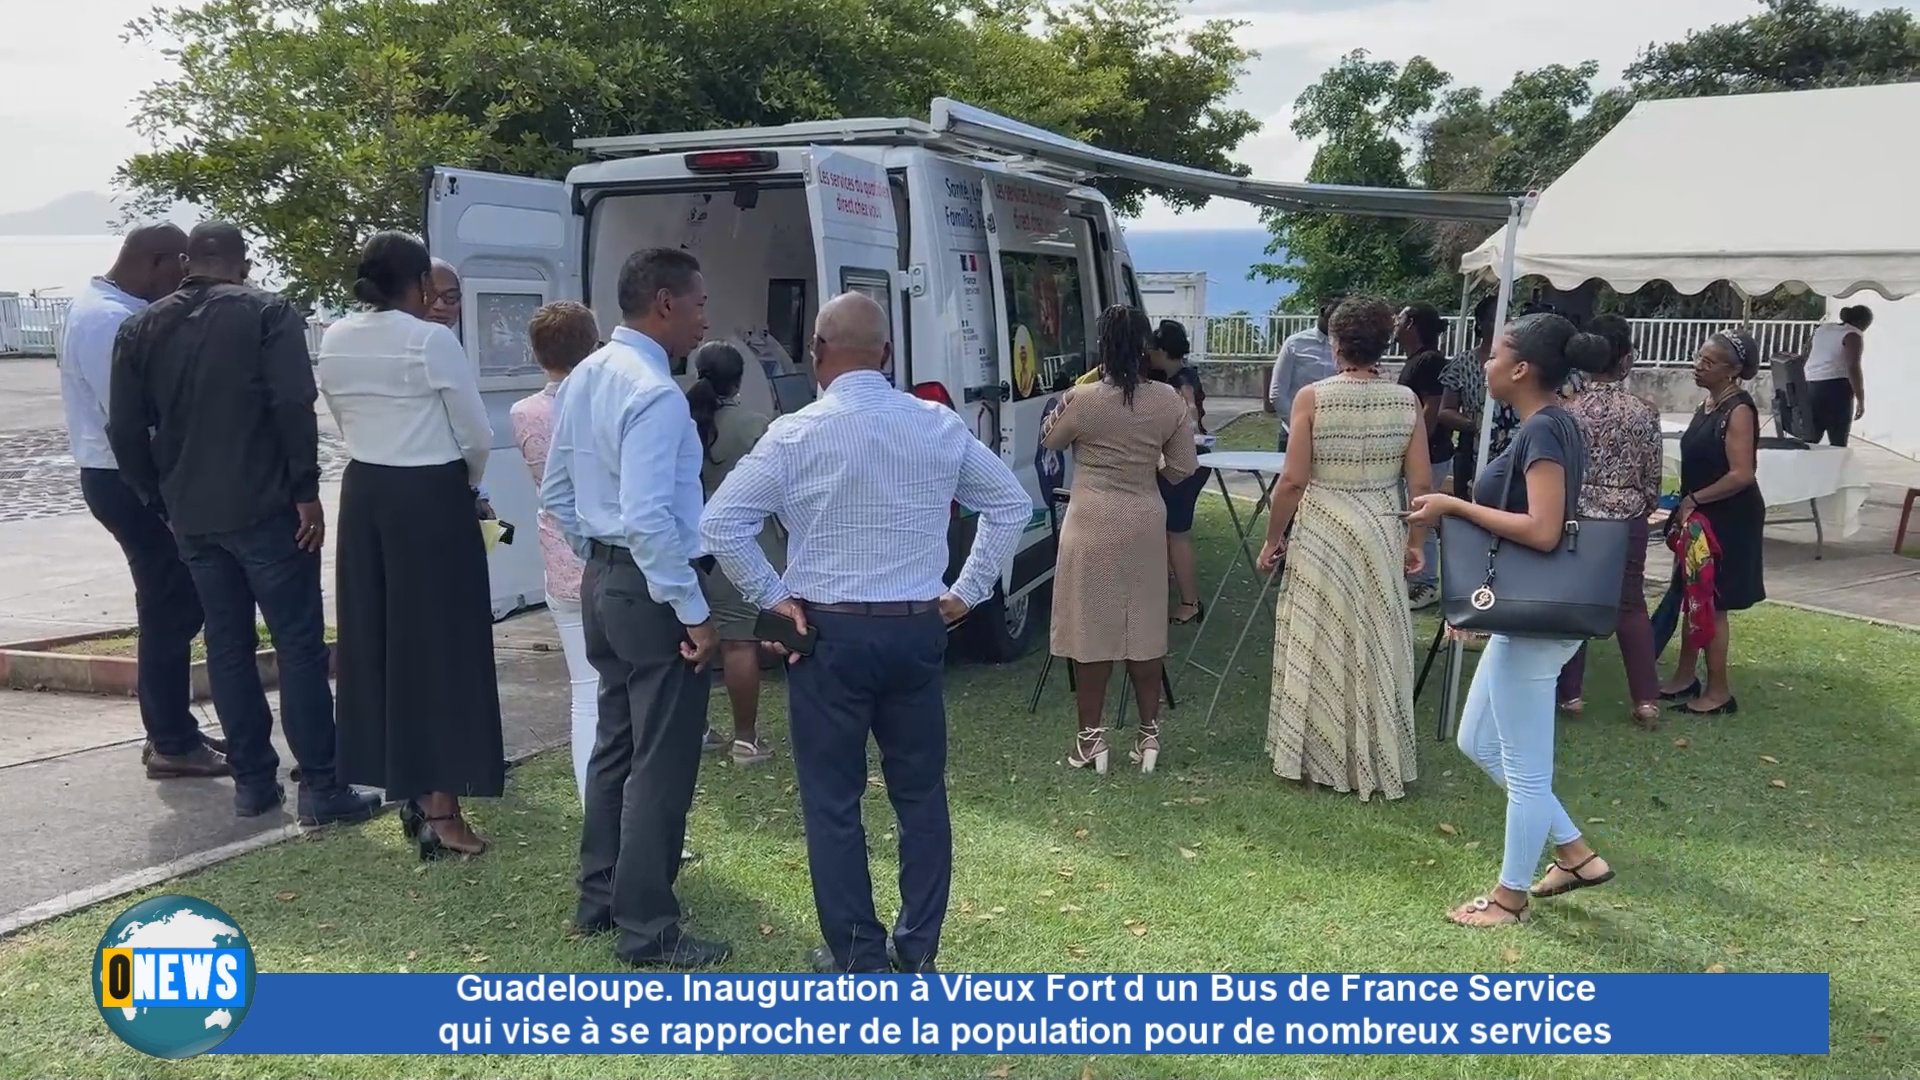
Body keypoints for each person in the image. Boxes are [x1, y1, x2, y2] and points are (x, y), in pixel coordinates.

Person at [700, 291, 1029, 975]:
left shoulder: (794, 433)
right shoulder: (935, 424)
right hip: (914, 629)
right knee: (919, 795)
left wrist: (772, 596)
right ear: (885, 355)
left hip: (827, 634)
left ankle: (855, 953)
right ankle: (918, 950)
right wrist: (966, 593)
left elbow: (721, 523)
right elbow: (1009, 502)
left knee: (833, 798)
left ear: (818, 353)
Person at [106, 222, 378, 825]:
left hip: (192, 515)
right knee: (299, 648)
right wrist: (306, 492)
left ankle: (254, 785)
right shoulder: (268, 312)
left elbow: (124, 430)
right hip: (268, 508)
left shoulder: (138, 328)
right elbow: (290, 402)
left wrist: (158, 500)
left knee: (228, 648)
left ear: (185, 262)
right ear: (244, 262)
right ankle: (322, 788)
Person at [543, 248, 728, 969]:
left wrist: (601, 553)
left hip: (604, 582)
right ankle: (647, 926)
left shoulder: (587, 373)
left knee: (616, 744)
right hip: (651, 589)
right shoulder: (653, 391)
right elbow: (651, 518)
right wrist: (690, 609)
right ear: (663, 302)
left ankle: (601, 894)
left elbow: (557, 490)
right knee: (660, 760)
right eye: (699, 303)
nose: (705, 318)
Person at [1405, 312, 1616, 927]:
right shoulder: (1545, 424)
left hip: (1538, 623)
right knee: (1476, 742)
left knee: (1525, 768)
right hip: (1522, 615)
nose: (1485, 365)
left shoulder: (1546, 429)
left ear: (1522, 369)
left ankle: (1509, 899)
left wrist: (1453, 506)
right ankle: (1574, 853)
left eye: (1495, 355)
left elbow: (1544, 531)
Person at [319, 231, 504, 859]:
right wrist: (465, 486)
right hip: (429, 495)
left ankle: (410, 790)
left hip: (365, 492)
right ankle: (442, 810)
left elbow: (342, 417)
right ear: (422, 284)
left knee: (382, 646)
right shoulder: (430, 340)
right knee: (443, 654)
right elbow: (475, 434)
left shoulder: (336, 337)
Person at [60, 225, 229, 779]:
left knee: (173, 603)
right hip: (128, 479)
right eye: (178, 275)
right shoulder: (111, 321)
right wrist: (171, 495)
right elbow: (133, 422)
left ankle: (171, 730)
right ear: (158, 261)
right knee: (170, 605)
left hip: (119, 475)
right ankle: (171, 741)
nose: (180, 287)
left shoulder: (101, 307)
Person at [1256, 297, 1428, 801]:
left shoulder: (1313, 397)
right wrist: (1415, 540)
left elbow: (1292, 480)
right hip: (1379, 524)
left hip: (1324, 525)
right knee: (1374, 641)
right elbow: (1420, 482)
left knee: (1320, 635)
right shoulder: (1406, 401)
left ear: (1335, 343)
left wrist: (1272, 539)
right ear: (1385, 344)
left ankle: (1313, 755)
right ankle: (1374, 757)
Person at [1043, 306, 1198, 775]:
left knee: (1091, 631)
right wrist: (1149, 468)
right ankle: (1148, 735)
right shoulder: (1168, 400)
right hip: (1144, 517)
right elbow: (1183, 467)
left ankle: (1091, 740)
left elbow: (1050, 440)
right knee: (1144, 626)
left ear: (1102, 347)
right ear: (1146, 347)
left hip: (1091, 518)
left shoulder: (1084, 398)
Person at [511, 301, 601, 802]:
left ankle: (594, 808)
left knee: (584, 693)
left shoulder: (523, 412)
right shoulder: (599, 405)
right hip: (608, 562)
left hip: (558, 560)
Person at [1554, 315, 1663, 727]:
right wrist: (1640, 505)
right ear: (1627, 359)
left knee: (1577, 604)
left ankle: (1571, 696)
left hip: (1578, 517)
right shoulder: (1643, 412)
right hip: (1628, 518)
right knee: (1631, 606)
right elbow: (1652, 475)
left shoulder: (1567, 411)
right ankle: (1646, 700)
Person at [686, 340, 782, 766]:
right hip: (739, 548)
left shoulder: (682, 422)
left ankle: (698, 730)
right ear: (739, 379)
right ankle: (746, 740)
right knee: (739, 643)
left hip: (690, 549)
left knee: (695, 640)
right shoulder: (756, 425)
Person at [1659, 329, 1766, 715]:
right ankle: (1685, 677)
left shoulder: (1737, 410)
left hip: (1729, 519)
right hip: (1699, 516)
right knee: (1693, 597)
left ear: (1733, 370)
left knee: (1713, 603)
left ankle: (1720, 692)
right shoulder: (1708, 403)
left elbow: (1742, 473)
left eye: (1708, 361)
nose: (1697, 366)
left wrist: (1695, 499)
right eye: (1697, 357)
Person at [1145, 320, 1211, 626]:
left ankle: (1190, 601)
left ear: (1161, 351)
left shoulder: (1180, 381)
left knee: (1176, 534)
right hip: (1190, 460)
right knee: (1167, 530)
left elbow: (1189, 417)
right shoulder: (1183, 374)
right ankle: (1171, 586)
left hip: (1184, 463)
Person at [1396, 302, 1451, 609]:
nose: (1394, 324)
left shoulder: (1429, 360)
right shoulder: (1416, 360)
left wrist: (1416, 446)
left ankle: (1426, 582)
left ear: (1411, 324)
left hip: (1430, 453)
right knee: (1412, 513)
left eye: (1399, 319)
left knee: (1421, 513)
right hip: (1421, 452)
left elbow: (1432, 405)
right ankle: (1415, 576)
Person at [1267, 295, 1340, 450]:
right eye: (1335, 316)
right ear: (1322, 313)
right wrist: (1298, 427)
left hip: (1334, 437)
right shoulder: (1295, 343)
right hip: (1294, 434)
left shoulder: (1349, 348)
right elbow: (1277, 392)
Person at [1804, 305, 1871, 447]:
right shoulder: (1853, 334)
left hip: (1811, 385)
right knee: (1838, 441)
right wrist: (1860, 398)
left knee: (1810, 439)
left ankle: (1805, 467)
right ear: (1862, 322)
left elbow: (1806, 352)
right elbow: (1853, 366)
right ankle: (1836, 468)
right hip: (1836, 388)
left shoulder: (1822, 329)